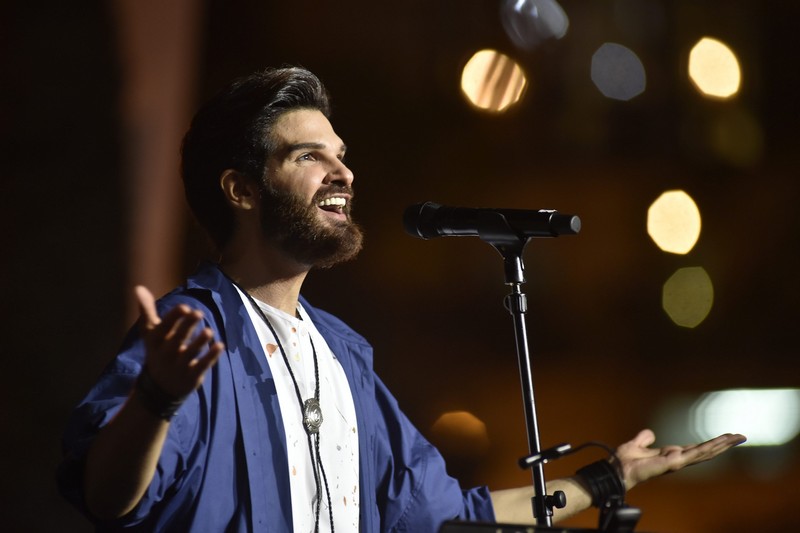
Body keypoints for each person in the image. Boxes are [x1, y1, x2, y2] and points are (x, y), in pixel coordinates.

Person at [57, 66, 746, 532]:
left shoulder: (343, 355)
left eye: (341, 154)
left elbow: (450, 513)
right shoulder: (192, 335)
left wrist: (606, 481)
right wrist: (156, 397)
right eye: (308, 157)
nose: (343, 172)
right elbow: (109, 495)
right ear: (240, 189)